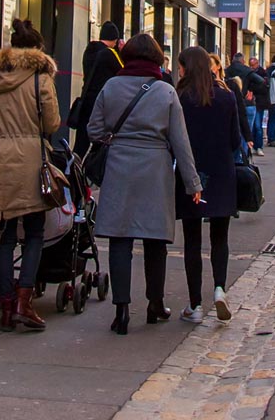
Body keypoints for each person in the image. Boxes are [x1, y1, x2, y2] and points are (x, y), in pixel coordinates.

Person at [88, 33, 201, 336]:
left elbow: (93, 129)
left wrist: (116, 138)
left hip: (120, 166)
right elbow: (181, 142)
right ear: (156, 59)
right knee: (155, 240)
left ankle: (121, 310)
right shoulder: (165, 91)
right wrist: (193, 183)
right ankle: (155, 303)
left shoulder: (111, 86)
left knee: (120, 238)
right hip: (155, 169)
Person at [0, 19, 59, 333]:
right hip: (29, 157)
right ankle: (23, 302)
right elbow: (52, 123)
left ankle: (6, 305)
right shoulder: (40, 78)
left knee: (4, 235)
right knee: (33, 232)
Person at [175, 47, 240, 324]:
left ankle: (194, 304)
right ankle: (219, 289)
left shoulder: (181, 98)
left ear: (188, 68)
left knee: (192, 240)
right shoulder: (226, 96)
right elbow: (235, 140)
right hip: (222, 172)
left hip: (191, 174)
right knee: (220, 238)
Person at [71, 21, 123, 159]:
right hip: (101, 104)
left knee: (80, 144)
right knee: (99, 143)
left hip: (86, 100)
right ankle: (91, 172)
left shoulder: (89, 51)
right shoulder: (110, 53)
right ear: (115, 39)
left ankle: (71, 172)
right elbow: (123, 71)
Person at [212, 55, 253, 150]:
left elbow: (241, 111)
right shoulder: (203, 88)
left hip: (230, 134)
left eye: (211, 64)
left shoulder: (231, 86)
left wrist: (248, 136)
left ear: (218, 66)